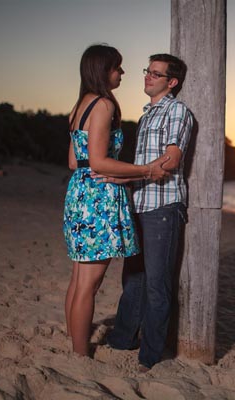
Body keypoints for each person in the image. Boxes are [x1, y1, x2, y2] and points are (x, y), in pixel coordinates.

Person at [63, 44, 170, 357]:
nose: (122, 73)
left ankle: (74, 341)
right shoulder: (103, 106)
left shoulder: (79, 105)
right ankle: (81, 354)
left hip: (79, 192)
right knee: (89, 283)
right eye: (117, 67)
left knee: (79, 277)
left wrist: (119, 175)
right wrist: (145, 171)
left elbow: (75, 162)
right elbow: (98, 161)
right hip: (98, 200)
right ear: (102, 70)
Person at [104, 53, 194, 371]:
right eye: (148, 71)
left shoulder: (177, 111)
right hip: (139, 205)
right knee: (133, 279)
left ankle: (150, 356)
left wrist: (127, 174)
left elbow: (171, 160)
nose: (148, 77)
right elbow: (149, 166)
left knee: (157, 283)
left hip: (163, 207)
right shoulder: (146, 116)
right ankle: (122, 340)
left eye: (156, 74)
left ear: (172, 82)